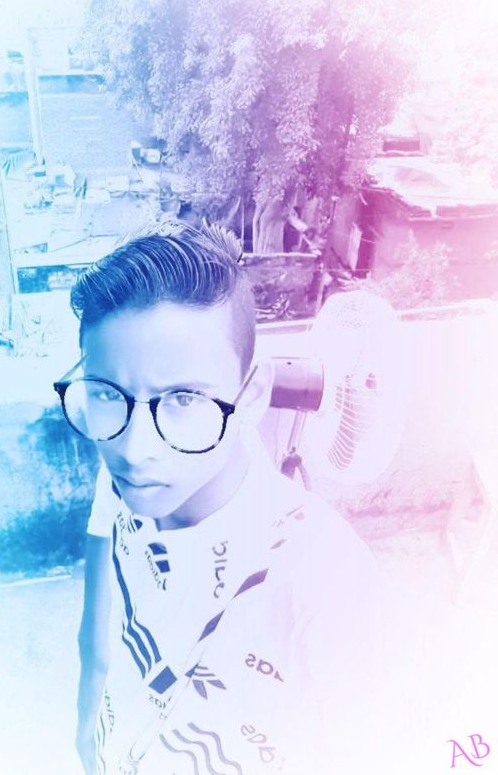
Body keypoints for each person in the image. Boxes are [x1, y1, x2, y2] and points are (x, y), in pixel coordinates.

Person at [55, 220, 383, 775]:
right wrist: (87, 732)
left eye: (183, 398)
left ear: (251, 396)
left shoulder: (326, 579)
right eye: (107, 393)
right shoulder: (123, 480)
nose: (134, 448)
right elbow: (98, 624)